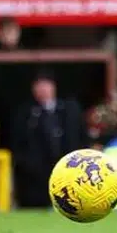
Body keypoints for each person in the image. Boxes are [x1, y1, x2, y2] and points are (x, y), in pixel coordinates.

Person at [11, 72, 85, 209]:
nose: (43, 89)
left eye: (46, 85)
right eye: (38, 86)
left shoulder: (70, 110)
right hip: (35, 180)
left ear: (54, 87)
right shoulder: (25, 114)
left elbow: (81, 136)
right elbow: (18, 144)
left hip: (69, 173)